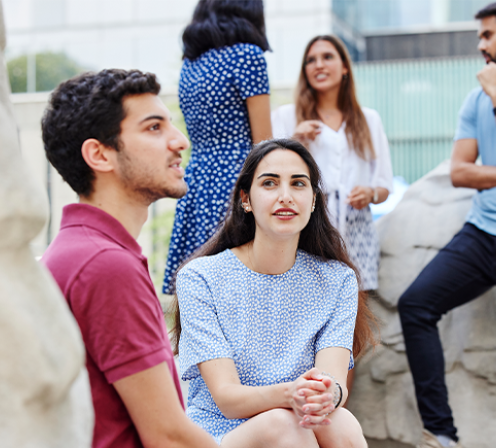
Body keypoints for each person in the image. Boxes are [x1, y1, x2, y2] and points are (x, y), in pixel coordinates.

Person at [41, 69, 219, 448]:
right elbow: (169, 436)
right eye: (154, 128)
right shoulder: (105, 265)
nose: (180, 141)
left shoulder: (78, 252)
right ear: (100, 154)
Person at [172, 139, 374, 447]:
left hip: (298, 421)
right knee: (285, 423)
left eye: (298, 184)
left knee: (340, 421)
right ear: (246, 199)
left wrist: (329, 394)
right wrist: (289, 395)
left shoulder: (337, 280)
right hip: (220, 433)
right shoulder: (200, 279)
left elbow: (334, 381)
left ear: (314, 200)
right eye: (269, 183)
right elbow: (228, 399)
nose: (285, 196)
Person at [398, 1, 496, 447]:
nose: (481, 46)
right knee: (416, 305)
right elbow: (461, 172)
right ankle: (441, 433)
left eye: (487, 35)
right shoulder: (475, 96)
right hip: (481, 233)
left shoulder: (488, 94)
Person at [163, 0, 272, 294]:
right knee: (247, 287)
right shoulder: (248, 57)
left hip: (197, 181)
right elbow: (263, 143)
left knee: (204, 287)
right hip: (238, 179)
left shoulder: (191, 64)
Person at [272, 35, 393, 293]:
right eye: (311, 60)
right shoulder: (286, 116)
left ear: (345, 66)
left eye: (328, 57)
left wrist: (370, 193)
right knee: (304, 301)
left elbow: (384, 186)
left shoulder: (369, 120)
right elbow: (268, 172)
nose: (319, 65)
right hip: (309, 223)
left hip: (356, 226)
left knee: (356, 310)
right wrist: (295, 140)